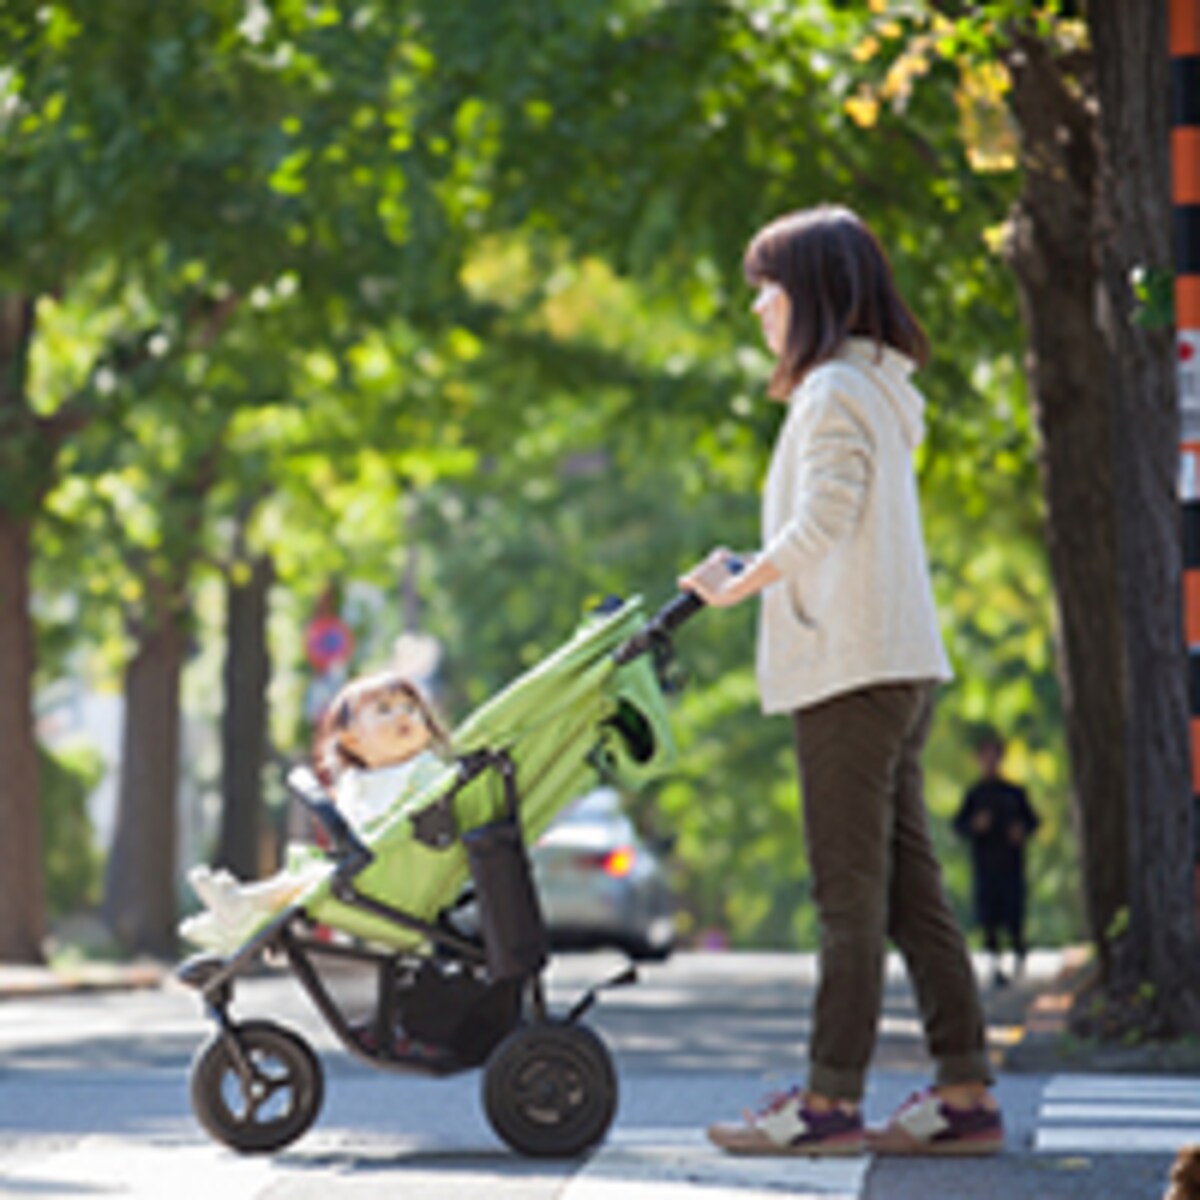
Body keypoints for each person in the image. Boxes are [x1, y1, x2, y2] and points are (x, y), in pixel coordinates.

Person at [679, 205, 1003, 1157]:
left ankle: (827, 1104)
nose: (758, 311)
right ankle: (964, 1093)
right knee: (911, 895)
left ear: (810, 292)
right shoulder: (873, 390)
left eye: (766, 290)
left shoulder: (829, 395)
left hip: (850, 673)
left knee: (849, 898)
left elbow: (823, 518)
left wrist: (741, 585)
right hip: (896, 664)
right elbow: (842, 520)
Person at [180, 670, 450, 954]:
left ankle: (242, 905)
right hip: (375, 881)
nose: (403, 716)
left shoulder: (427, 771)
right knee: (311, 874)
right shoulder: (359, 784)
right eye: (384, 710)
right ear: (352, 741)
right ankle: (233, 920)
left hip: (409, 884)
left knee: (320, 877)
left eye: (411, 707)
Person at [954, 731, 1039, 987]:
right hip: (985, 864)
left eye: (994, 755)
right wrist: (975, 827)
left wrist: (1021, 831)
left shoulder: (1014, 793)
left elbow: (1033, 821)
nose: (990, 761)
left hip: (1011, 864)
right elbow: (959, 825)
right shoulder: (975, 794)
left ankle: (1018, 955)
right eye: (985, 756)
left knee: (1013, 912)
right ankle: (994, 963)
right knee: (988, 915)